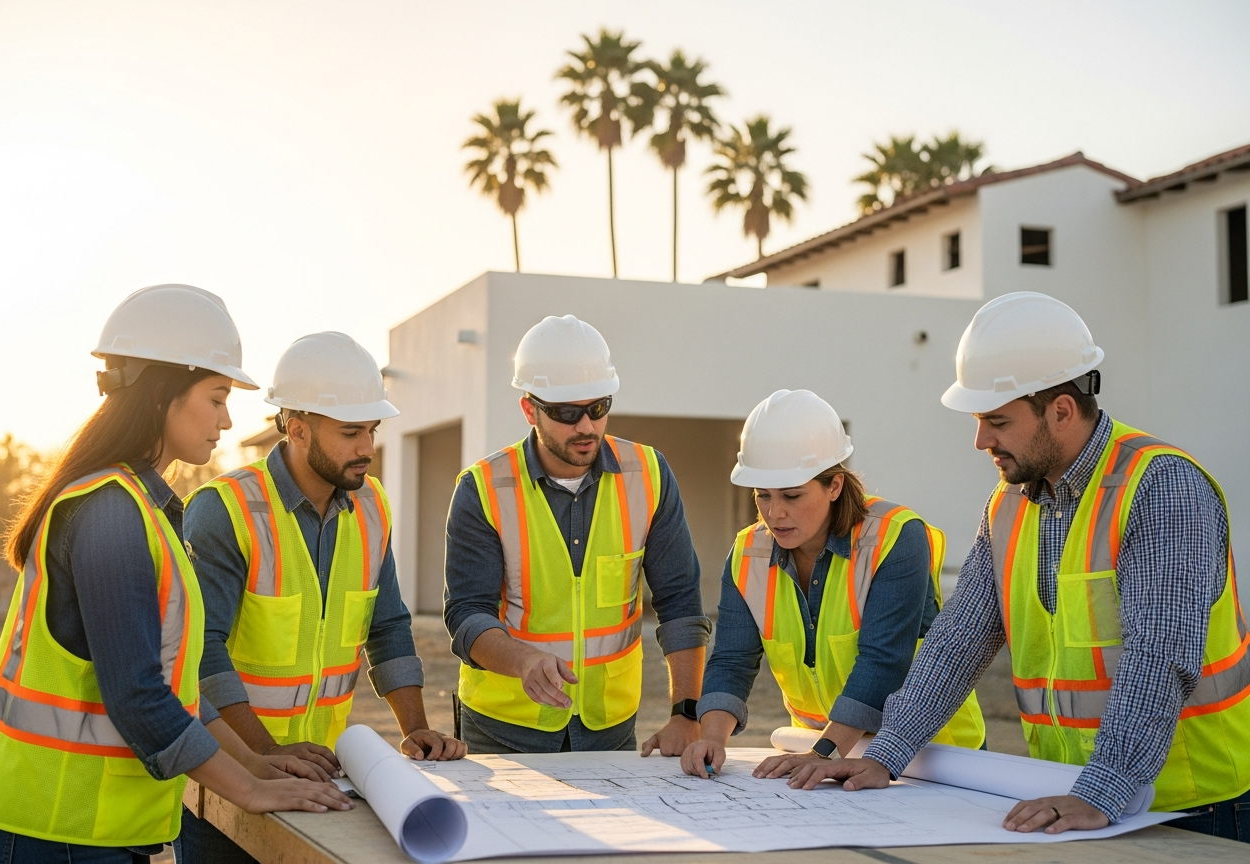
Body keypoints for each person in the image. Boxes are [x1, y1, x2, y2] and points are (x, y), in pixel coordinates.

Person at [796, 292, 1250, 844]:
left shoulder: (1162, 489)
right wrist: (886, 755)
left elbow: (1159, 654)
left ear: (1060, 409)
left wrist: (1104, 789)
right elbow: (957, 642)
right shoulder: (1006, 506)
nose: (980, 440)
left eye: (997, 421)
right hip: (1072, 800)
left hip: (1196, 808)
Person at [0, 285, 351, 864]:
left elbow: (175, 691)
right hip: (53, 829)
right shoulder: (109, 513)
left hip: (91, 829)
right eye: (217, 396)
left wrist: (256, 761)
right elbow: (138, 697)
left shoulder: (144, 509)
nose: (227, 419)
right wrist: (248, 790)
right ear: (160, 395)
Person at [181, 331, 464, 863]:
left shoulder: (372, 504)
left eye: (373, 431)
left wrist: (417, 730)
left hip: (319, 781)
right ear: (297, 428)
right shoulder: (225, 511)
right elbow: (201, 650)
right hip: (227, 777)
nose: (367, 449)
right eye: (351, 432)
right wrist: (263, 753)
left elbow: (387, 626)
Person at [680, 390, 986, 780]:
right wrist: (712, 738)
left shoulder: (895, 538)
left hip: (935, 757)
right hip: (823, 754)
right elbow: (732, 660)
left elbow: (883, 660)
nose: (775, 513)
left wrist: (823, 751)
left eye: (792, 495)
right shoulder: (747, 553)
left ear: (835, 486)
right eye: (763, 496)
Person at [443, 315, 711, 755]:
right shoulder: (483, 489)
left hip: (610, 729)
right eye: (567, 413)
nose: (586, 427)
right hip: (502, 732)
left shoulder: (649, 476)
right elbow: (467, 614)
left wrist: (686, 712)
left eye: (598, 407)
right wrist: (524, 661)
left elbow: (680, 601)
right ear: (530, 409)